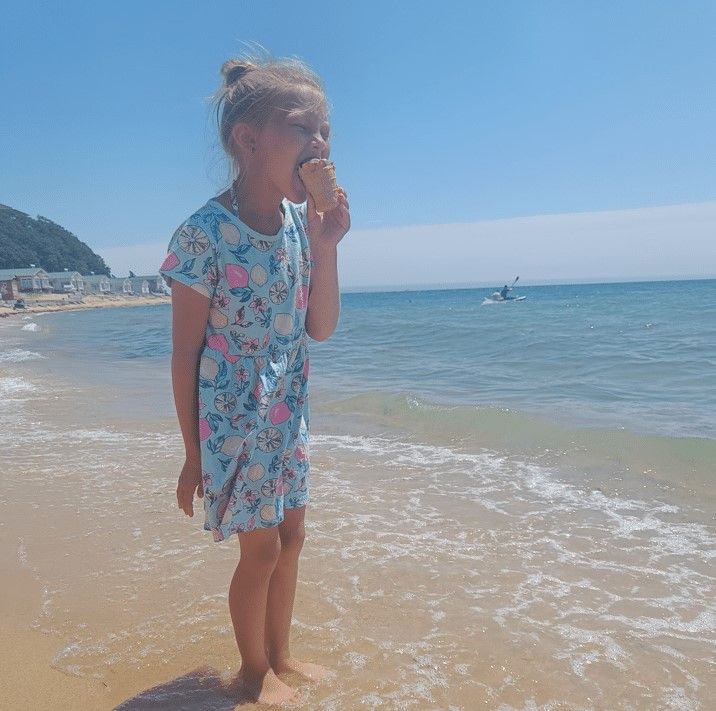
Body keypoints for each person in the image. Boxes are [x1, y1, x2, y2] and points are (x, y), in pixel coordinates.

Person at [159, 54, 350, 705]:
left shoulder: (302, 227)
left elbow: (320, 326)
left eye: (325, 131)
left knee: (293, 538)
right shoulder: (204, 235)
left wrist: (327, 248)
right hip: (232, 420)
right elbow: (184, 354)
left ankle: (282, 654)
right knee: (261, 552)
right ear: (248, 139)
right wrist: (193, 454)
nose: (320, 143)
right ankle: (252, 670)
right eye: (302, 128)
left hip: (288, 412)